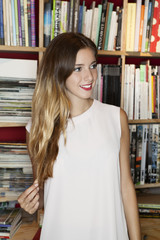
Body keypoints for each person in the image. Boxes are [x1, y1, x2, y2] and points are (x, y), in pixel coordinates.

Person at [18, 32, 141, 240]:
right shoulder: (38, 129)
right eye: (78, 69)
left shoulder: (115, 117)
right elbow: (44, 195)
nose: (89, 77)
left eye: (92, 66)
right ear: (59, 71)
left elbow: (126, 187)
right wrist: (27, 204)